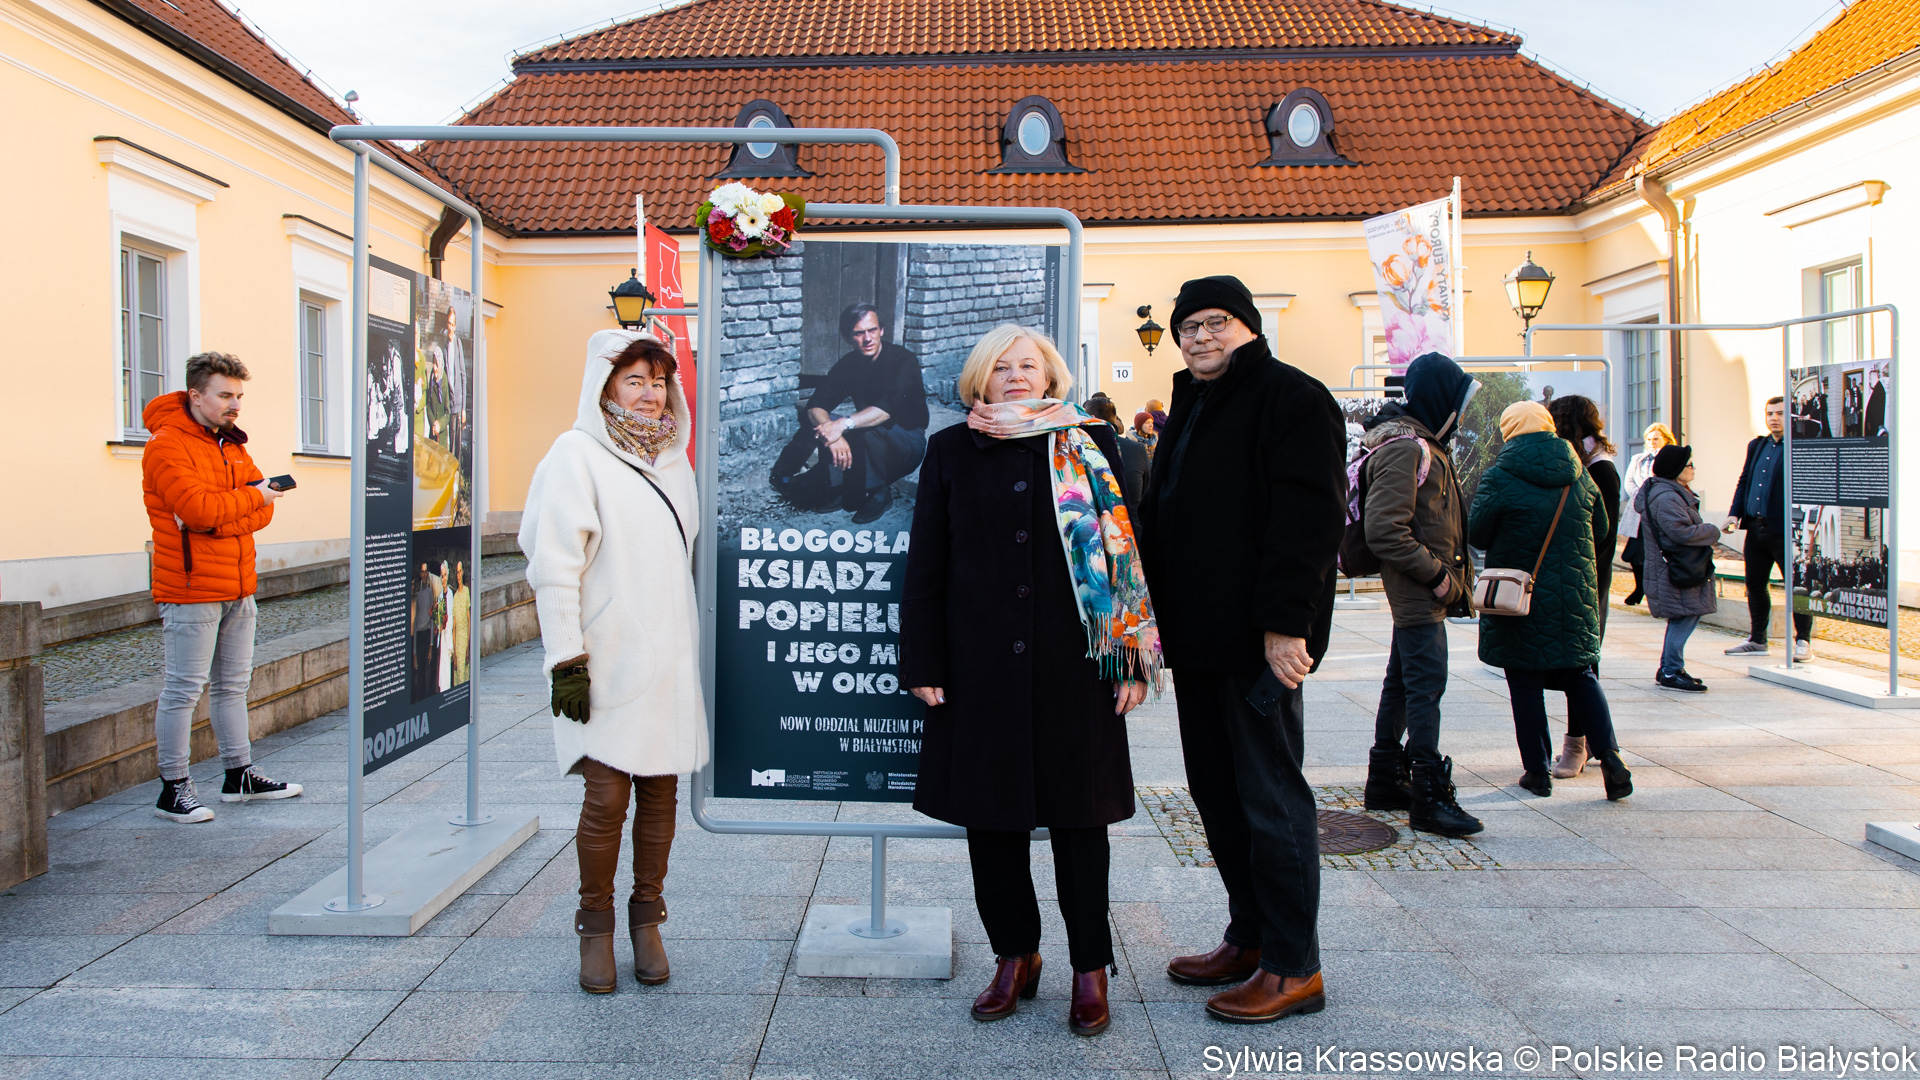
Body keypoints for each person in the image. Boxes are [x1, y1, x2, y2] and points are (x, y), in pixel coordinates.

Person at [901, 325, 1154, 1036]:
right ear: (980, 379)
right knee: (993, 821)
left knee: (1082, 823)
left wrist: (1129, 656)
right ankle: (1015, 957)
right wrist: (923, 661)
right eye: (1002, 367)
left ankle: (1089, 967)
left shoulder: (1091, 442)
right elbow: (927, 561)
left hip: (1077, 666)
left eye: (1030, 365)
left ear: (1051, 377)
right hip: (979, 664)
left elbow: (1123, 554)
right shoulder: (951, 449)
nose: (1016, 376)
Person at [1135, 275, 1345, 1024]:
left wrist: (1287, 624)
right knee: (1218, 797)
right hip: (1197, 640)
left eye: (1214, 323)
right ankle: (1250, 935)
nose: (1199, 337)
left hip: (1260, 643)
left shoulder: (1293, 396)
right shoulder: (1192, 403)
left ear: (1249, 326)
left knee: (1270, 799)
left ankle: (1294, 967)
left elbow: (1309, 519)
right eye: (1187, 327)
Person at [520, 331, 707, 993]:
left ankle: (646, 917)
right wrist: (566, 660)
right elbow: (554, 567)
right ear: (604, 388)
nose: (650, 393)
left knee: (661, 793)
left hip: (668, 658)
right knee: (607, 799)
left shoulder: (673, 463)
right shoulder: (576, 455)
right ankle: (593, 924)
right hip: (603, 659)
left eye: (658, 380)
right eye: (634, 380)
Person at [142, 351, 301, 822]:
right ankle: (174, 788)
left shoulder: (230, 444)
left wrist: (226, 514)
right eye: (225, 395)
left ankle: (240, 775)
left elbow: (260, 511)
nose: (235, 405)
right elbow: (201, 510)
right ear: (196, 394)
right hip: (190, 587)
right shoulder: (167, 445)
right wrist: (245, 502)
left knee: (233, 685)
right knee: (183, 689)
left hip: (238, 582)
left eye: (239, 396)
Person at [1468, 402, 1631, 800]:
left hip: (1520, 597)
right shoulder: (1580, 474)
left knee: (1524, 682)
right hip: (1574, 595)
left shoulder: (1500, 475)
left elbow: (1478, 533)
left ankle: (1537, 772)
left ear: (1509, 431)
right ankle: (1611, 759)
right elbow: (1603, 528)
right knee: (1580, 675)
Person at [1358, 352, 1480, 836]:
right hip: (1420, 593)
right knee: (1426, 689)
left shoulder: (1419, 443)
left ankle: (1385, 779)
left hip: (1420, 593)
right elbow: (1384, 530)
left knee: (1404, 685)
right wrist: (1439, 578)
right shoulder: (1407, 448)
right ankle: (1428, 795)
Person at [768, 303, 929, 523]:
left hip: (907, 442)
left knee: (869, 427)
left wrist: (842, 425)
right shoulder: (849, 364)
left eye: (872, 330)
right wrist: (831, 434)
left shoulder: (903, 360)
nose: (868, 338)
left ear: (881, 330)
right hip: (871, 437)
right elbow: (816, 404)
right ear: (847, 338)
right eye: (859, 333)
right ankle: (838, 488)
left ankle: (879, 493)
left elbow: (885, 411)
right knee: (821, 423)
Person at [1544, 395, 1620, 779]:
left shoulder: (1600, 469)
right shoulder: (1574, 464)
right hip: (1569, 576)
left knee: (1583, 664)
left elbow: (1601, 537)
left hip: (1589, 581)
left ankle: (1579, 743)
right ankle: (1579, 743)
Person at [1724, 397, 1812, 660]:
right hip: (1755, 528)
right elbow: (1745, 481)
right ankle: (1757, 639)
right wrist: (1734, 514)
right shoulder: (1757, 445)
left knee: (1797, 587)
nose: (1774, 418)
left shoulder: (1800, 447)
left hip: (1784, 530)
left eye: (1781, 413)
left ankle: (1804, 642)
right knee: (1755, 585)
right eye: (1770, 413)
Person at [1638, 444, 1719, 692]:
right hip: (1674, 568)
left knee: (1684, 615)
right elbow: (1679, 532)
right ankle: (1671, 670)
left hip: (1674, 566)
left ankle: (1670, 667)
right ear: (1676, 469)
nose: (1693, 469)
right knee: (1683, 616)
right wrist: (1713, 530)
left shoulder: (1670, 491)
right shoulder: (1666, 496)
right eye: (1689, 465)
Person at [1618, 422, 1673, 606]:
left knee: (1657, 554)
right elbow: (1629, 483)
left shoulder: (1670, 458)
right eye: (1649, 439)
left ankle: (1655, 592)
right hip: (1640, 512)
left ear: (1665, 439)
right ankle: (1640, 586)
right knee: (1634, 554)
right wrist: (1642, 496)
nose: (1652, 442)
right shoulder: (1638, 459)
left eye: (1656, 439)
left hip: (1659, 512)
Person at [1084, 396, 1151, 515]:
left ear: (1091, 419)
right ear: (1115, 418)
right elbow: (1146, 492)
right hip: (1132, 525)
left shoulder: (1083, 452)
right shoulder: (1138, 449)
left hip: (1099, 526)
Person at [450, 561, 472, 686]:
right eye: (457, 572)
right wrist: (454, 651)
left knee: (464, 672)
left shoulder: (466, 592)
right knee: (457, 672)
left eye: (460, 571)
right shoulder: (455, 596)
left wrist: (468, 646)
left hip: (464, 637)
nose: (458, 574)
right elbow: (454, 627)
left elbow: (469, 621)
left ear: (462, 572)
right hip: (457, 639)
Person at [436, 560, 454, 693]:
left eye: (445, 575)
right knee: (441, 668)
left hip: (449, 636)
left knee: (447, 667)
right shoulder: (440, 596)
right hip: (442, 635)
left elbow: (452, 617)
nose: (443, 578)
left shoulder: (450, 595)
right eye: (441, 576)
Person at [1865, 363, 1887, 436]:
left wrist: (1872, 426)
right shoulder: (1877, 389)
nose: (1870, 381)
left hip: (1874, 429)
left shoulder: (1879, 390)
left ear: (1874, 377)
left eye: (1870, 379)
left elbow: (1877, 413)